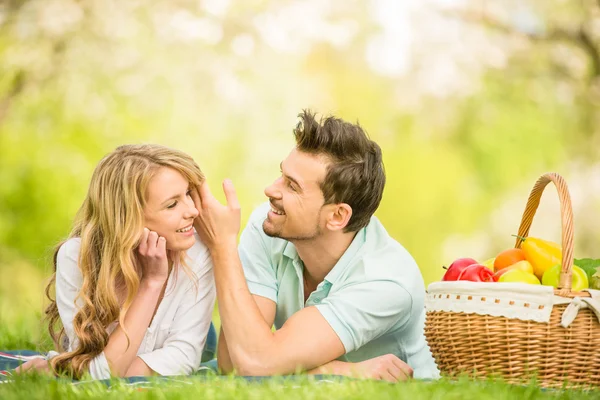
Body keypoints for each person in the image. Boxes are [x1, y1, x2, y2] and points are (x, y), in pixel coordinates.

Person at [192, 110, 439, 382]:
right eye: (281, 175)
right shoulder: (269, 226)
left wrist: (222, 246)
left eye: (292, 186)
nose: (271, 190)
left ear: (337, 216)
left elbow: (253, 360)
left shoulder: (387, 280)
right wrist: (341, 369)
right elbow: (235, 360)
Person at [17, 144, 215, 379]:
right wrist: (152, 282)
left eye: (189, 194)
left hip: (195, 332)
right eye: (172, 204)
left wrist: (70, 369)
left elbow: (182, 356)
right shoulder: (76, 257)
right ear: (127, 217)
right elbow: (98, 369)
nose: (192, 210)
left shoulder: (198, 252)